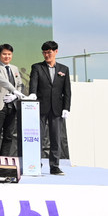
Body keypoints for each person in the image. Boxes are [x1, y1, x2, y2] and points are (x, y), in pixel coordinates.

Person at [28, 40, 71, 175]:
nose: (47, 55)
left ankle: (54, 166)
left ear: (56, 52)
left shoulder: (64, 69)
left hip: (57, 108)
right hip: (40, 107)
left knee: (56, 138)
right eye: (44, 52)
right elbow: (33, 83)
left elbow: (67, 91)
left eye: (49, 52)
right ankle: (36, 163)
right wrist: (32, 93)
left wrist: (66, 107)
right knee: (38, 137)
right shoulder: (37, 67)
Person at [0, 44, 25, 157]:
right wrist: (15, 91)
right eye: (4, 54)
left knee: (9, 135)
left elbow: (20, 84)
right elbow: (2, 80)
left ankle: (4, 159)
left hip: (12, 105)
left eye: (9, 54)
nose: (7, 56)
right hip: (0, 105)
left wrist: (15, 96)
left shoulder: (14, 68)